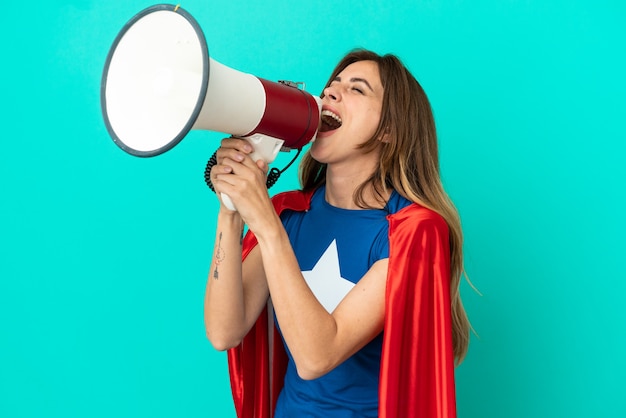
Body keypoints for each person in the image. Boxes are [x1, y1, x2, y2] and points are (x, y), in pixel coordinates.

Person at [204, 49, 470, 418]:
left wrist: (264, 221)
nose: (330, 92)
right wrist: (231, 210)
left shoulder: (411, 232)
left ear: (390, 129)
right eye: (332, 85)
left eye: (357, 89)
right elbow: (224, 331)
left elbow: (316, 357)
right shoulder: (289, 214)